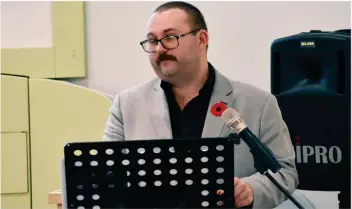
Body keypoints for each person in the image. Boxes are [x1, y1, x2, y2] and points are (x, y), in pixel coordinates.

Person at [103, 1, 298, 208]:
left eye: (170, 38)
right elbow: (105, 175)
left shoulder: (259, 103)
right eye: (152, 41)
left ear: (201, 39)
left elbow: (285, 173)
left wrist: (250, 190)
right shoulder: (126, 105)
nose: (159, 48)